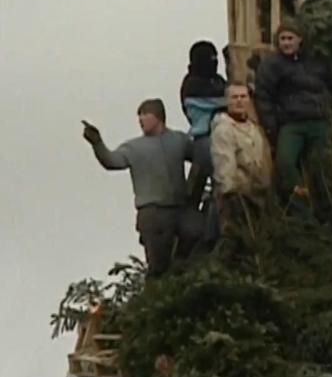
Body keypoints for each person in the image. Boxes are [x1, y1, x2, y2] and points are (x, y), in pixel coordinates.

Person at [82, 99, 202, 277]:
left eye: (146, 114)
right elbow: (111, 161)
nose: (141, 119)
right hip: (152, 212)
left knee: (197, 230)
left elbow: (200, 155)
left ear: (158, 117)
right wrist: (97, 143)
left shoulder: (178, 140)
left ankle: (180, 273)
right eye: (139, 115)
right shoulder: (133, 147)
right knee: (158, 266)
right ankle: (155, 297)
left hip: (180, 208)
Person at [253, 21, 332, 216]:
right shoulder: (272, 65)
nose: (286, 43)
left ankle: (324, 208)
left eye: (290, 38)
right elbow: (264, 97)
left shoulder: (317, 61)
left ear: (300, 39)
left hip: (318, 121)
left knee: (321, 165)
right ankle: (300, 204)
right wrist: (272, 128)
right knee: (285, 162)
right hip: (291, 123)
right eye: (282, 39)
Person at [210, 82, 272, 238]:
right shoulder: (223, 130)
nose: (239, 100)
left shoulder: (255, 129)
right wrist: (232, 194)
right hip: (237, 199)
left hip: (260, 196)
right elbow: (224, 168)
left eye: (243, 96)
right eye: (234, 97)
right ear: (227, 101)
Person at [180, 41, 227, 208]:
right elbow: (215, 102)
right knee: (200, 183)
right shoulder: (192, 84)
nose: (213, 61)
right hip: (204, 138)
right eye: (210, 58)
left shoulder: (218, 80)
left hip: (223, 136)